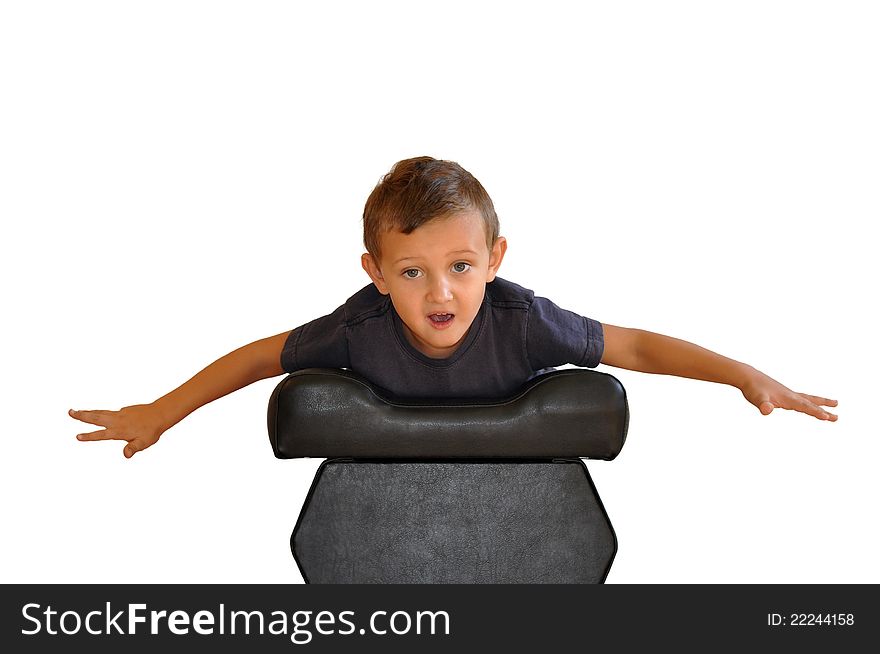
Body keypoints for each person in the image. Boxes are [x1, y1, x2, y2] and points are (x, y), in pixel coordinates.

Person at [69, 156, 838, 458]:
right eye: (412, 272)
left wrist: (745, 374)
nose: (441, 292)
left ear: (494, 261)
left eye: (461, 266)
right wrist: (162, 411)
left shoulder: (522, 320)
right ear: (375, 273)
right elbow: (257, 358)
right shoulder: (357, 329)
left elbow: (630, 346)